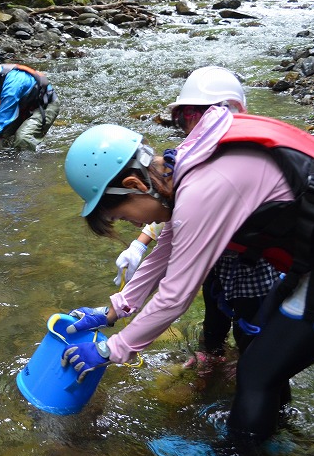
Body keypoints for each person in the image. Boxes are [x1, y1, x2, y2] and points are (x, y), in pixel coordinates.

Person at [60, 107, 314, 444]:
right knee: (266, 361)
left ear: (134, 184)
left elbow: (175, 298)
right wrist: (114, 309)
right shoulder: (187, 163)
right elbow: (165, 250)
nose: (132, 224)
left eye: (121, 214)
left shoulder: (202, 190)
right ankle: (276, 432)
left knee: (257, 372)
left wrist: (110, 350)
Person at [114, 67, 279, 359]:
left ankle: (249, 368)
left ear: (228, 113)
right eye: (186, 114)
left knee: (251, 329)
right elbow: (173, 217)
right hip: (216, 257)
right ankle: (211, 357)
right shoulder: (192, 156)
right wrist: (138, 246)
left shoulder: (230, 160)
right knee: (214, 314)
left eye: (198, 113)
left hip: (254, 263)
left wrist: (112, 348)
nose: (193, 121)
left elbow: (174, 292)